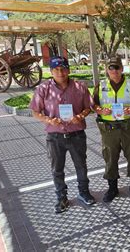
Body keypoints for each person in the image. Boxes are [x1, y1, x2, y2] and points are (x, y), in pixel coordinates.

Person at [29, 56, 95, 213]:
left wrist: (79, 116)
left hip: (77, 134)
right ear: (51, 71)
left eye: (63, 68)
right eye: (56, 69)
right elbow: (35, 112)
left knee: (81, 165)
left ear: (68, 70)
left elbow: (88, 107)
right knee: (57, 169)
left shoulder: (80, 87)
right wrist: (48, 120)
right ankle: (61, 197)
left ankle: (84, 193)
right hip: (55, 137)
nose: (60, 72)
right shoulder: (43, 89)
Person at [93, 56, 130, 202]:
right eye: (111, 68)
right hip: (109, 129)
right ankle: (112, 188)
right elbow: (93, 105)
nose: (114, 71)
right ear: (107, 70)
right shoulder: (101, 85)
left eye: (117, 68)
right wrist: (100, 111)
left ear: (122, 69)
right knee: (110, 157)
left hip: (128, 127)